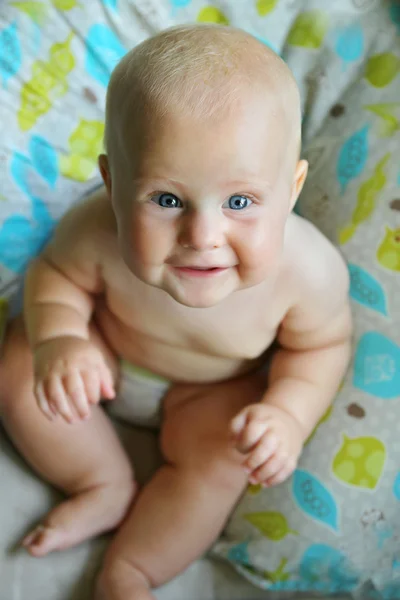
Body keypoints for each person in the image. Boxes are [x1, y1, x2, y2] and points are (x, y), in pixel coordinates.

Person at [0, 24, 352, 600]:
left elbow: (321, 346)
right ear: (112, 183)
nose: (203, 235)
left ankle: (132, 570)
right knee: (20, 366)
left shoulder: (308, 272)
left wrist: (288, 415)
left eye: (240, 202)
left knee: (223, 461)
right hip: (106, 356)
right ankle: (100, 483)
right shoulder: (94, 232)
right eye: (167, 200)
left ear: (290, 191)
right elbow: (55, 277)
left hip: (210, 394)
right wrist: (61, 340)